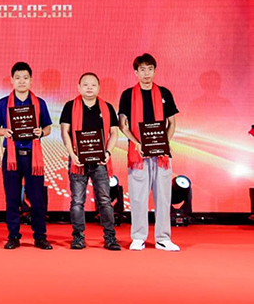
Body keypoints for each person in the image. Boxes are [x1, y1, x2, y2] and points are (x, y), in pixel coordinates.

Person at [118, 53, 180, 252]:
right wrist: (137, 143)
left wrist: (164, 143)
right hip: (138, 154)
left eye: (150, 69)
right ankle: (138, 237)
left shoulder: (164, 93)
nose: (146, 73)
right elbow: (123, 124)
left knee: (163, 197)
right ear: (136, 72)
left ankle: (163, 238)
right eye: (142, 69)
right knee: (138, 196)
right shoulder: (128, 95)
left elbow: (172, 122)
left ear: (155, 71)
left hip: (161, 155)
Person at [0, 62, 53, 250]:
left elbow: (48, 127)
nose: (21, 81)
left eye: (25, 78)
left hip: (33, 157)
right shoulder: (3, 103)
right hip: (12, 157)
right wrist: (4, 132)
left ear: (31, 80)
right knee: (12, 198)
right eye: (17, 78)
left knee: (37, 199)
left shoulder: (39, 103)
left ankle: (40, 237)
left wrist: (41, 132)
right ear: (12, 80)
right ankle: (13, 236)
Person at [60, 73, 121, 251]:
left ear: (99, 88)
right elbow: (65, 133)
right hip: (77, 161)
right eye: (85, 84)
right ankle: (78, 237)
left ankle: (110, 237)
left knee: (105, 200)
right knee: (77, 201)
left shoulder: (107, 108)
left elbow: (114, 133)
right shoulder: (70, 106)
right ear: (79, 87)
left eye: (93, 85)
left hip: (100, 162)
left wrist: (108, 152)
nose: (89, 88)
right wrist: (72, 154)